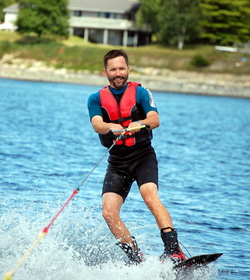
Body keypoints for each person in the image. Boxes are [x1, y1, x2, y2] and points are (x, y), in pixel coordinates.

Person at [87, 49, 186, 265]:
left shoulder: (141, 92)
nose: (118, 73)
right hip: (117, 163)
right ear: (106, 72)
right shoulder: (95, 99)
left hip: (142, 156)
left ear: (128, 69)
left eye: (122, 68)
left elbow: (155, 119)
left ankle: (173, 251)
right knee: (108, 211)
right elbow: (96, 124)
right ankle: (135, 257)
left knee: (149, 195)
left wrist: (139, 123)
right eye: (113, 69)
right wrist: (111, 126)